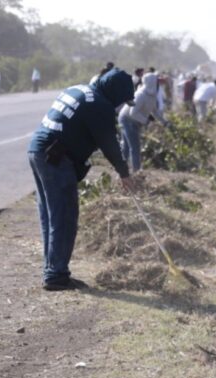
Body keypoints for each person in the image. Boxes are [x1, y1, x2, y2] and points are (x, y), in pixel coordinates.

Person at [27, 68, 137, 291]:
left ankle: (53, 270)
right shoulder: (99, 105)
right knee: (64, 217)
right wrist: (124, 172)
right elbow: (109, 143)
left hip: (38, 151)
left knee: (50, 216)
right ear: (115, 93)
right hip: (56, 159)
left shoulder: (79, 89)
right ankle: (56, 276)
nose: (119, 106)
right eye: (122, 100)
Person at [118, 70, 168, 172]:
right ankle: (136, 172)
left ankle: (121, 168)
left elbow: (154, 111)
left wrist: (164, 122)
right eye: (156, 82)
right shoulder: (141, 95)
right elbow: (133, 112)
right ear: (151, 82)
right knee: (135, 147)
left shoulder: (152, 95)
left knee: (127, 146)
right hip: (127, 119)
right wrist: (147, 121)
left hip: (134, 120)